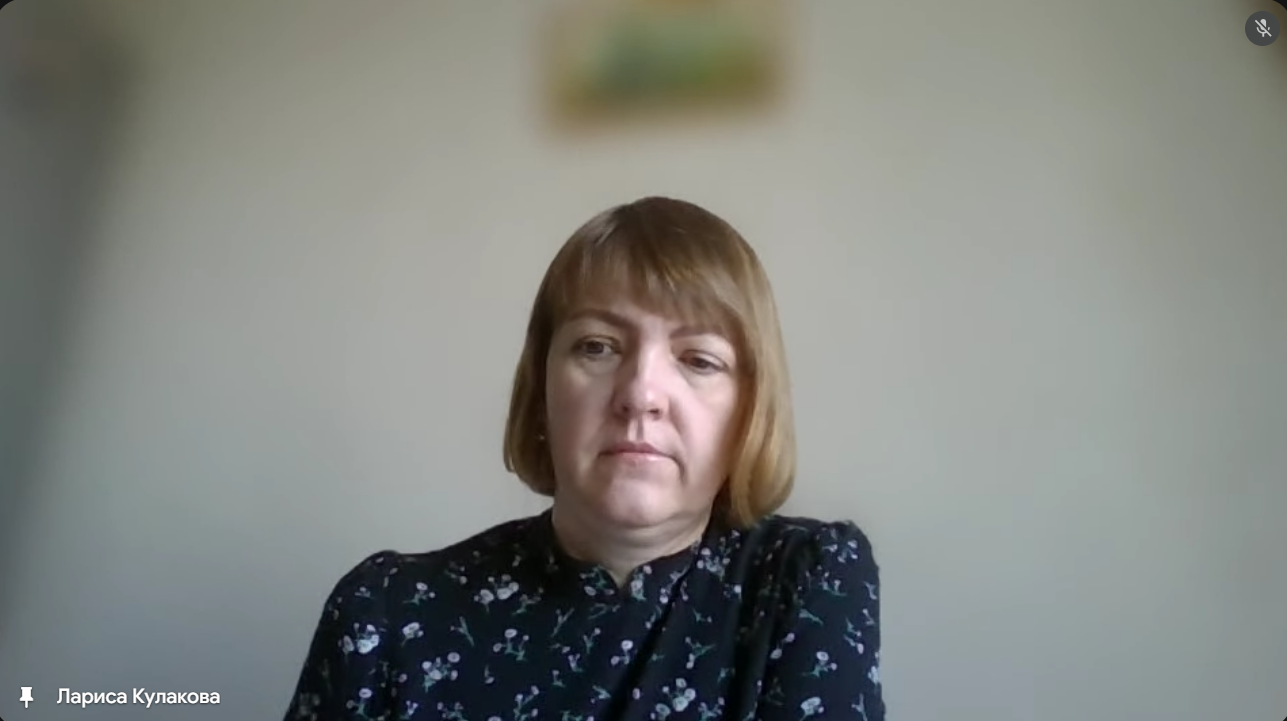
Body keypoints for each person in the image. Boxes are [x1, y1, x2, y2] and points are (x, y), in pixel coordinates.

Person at [281, 197, 884, 721]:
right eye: (597, 347)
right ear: (541, 390)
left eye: (699, 360)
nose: (641, 395)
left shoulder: (807, 581)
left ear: (749, 409)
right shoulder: (384, 614)